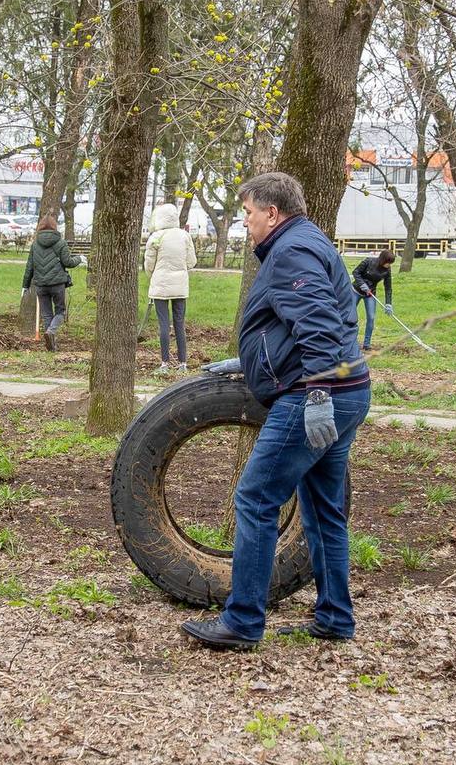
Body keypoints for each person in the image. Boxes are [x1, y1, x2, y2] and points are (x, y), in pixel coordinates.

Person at [181, 172, 371, 650]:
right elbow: (304, 322)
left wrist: (319, 392)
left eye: (248, 213)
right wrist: (250, 362)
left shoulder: (291, 251)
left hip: (315, 393)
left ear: (272, 212)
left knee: (255, 498)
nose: (245, 222)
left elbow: (320, 323)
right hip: (347, 387)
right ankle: (335, 618)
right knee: (323, 510)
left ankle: (242, 621)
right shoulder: (308, 242)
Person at [144, 202, 197, 374]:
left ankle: (164, 363)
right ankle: (183, 363)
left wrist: (153, 275)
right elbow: (191, 261)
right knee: (179, 324)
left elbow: (149, 264)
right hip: (180, 286)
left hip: (160, 286)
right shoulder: (184, 236)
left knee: (164, 325)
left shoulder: (156, 237)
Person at [21, 214, 82, 351]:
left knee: (47, 314)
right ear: (54, 227)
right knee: (60, 311)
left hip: (41, 285)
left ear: (40, 227)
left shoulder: (35, 245)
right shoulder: (61, 243)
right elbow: (68, 263)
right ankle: (51, 332)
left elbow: (29, 267)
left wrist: (25, 286)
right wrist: (79, 258)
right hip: (57, 284)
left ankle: (51, 347)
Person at [351, 248, 395, 351]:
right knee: (351, 316)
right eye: (388, 262)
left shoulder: (387, 270)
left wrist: (388, 303)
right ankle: (349, 341)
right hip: (355, 291)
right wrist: (362, 284)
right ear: (382, 259)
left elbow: (388, 287)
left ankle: (366, 344)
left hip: (370, 294)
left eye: (390, 263)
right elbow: (356, 272)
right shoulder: (368, 261)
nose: (389, 265)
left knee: (371, 318)